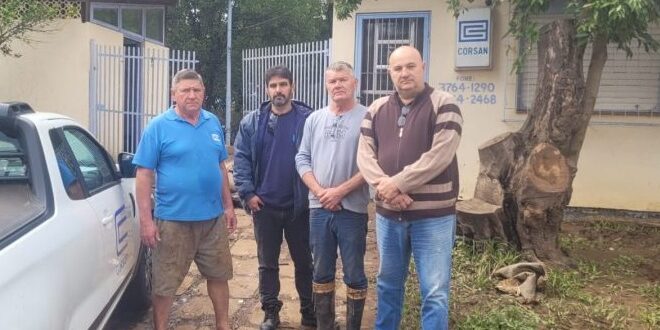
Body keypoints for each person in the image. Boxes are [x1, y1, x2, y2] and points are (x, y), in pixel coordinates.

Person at [356, 46, 463, 330]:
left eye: (410, 66)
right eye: (398, 68)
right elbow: (364, 155)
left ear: (422, 66)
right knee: (388, 284)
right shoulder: (376, 109)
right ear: (390, 72)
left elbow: (439, 156)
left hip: (434, 217)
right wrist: (386, 187)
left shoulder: (444, 104)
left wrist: (397, 183)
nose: (405, 73)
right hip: (389, 216)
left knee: (435, 291)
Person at [133, 69, 236, 330]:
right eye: (185, 90)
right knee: (165, 283)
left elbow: (220, 166)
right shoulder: (158, 127)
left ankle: (223, 325)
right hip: (173, 221)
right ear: (173, 95)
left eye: (197, 90)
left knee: (219, 275)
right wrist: (146, 221)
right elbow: (144, 174)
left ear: (204, 93)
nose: (192, 95)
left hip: (212, 220)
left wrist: (228, 205)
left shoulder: (212, 122)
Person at [233, 65, 316, 330]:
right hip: (264, 207)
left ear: (292, 86)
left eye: (283, 84)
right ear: (267, 89)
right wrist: (247, 194)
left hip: (298, 207)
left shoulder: (308, 119)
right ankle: (271, 313)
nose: (278, 90)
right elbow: (242, 159)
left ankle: (309, 312)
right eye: (273, 85)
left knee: (304, 263)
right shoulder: (252, 122)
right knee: (267, 264)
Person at [295, 61, 370, 330]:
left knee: (354, 273)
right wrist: (319, 191)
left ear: (355, 83)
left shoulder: (367, 117)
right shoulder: (314, 119)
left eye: (343, 79)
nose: (337, 85)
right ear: (327, 85)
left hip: (352, 209)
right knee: (321, 271)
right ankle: (325, 325)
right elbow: (302, 158)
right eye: (332, 81)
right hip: (318, 209)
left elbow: (373, 164)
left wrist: (340, 191)